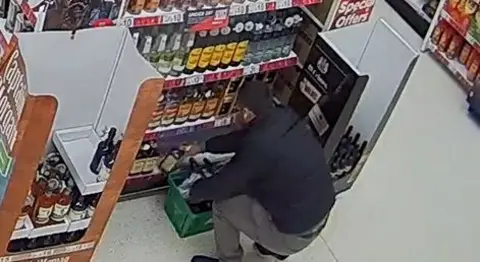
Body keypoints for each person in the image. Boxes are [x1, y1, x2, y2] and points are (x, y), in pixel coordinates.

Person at [188, 80, 336, 262]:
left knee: (222, 205)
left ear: (247, 112)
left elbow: (224, 184)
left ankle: (229, 259)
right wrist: (205, 146)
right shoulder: (283, 115)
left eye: (237, 109)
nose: (236, 114)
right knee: (262, 190)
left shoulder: (259, 147)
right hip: (319, 211)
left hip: (294, 235)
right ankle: (270, 249)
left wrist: (194, 192)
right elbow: (244, 138)